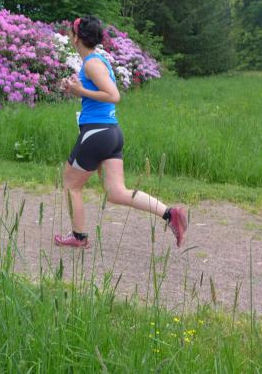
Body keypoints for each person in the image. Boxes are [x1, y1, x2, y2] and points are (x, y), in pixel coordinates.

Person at [54, 16, 188, 249]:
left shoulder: (92, 64)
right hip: (110, 133)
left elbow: (113, 96)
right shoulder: (97, 61)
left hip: (96, 132)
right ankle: (170, 214)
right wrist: (75, 89)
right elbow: (99, 95)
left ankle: (79, 237)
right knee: (116, 192)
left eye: (70, 33)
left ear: (76, 38)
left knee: (71, 184)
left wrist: (81, 90)